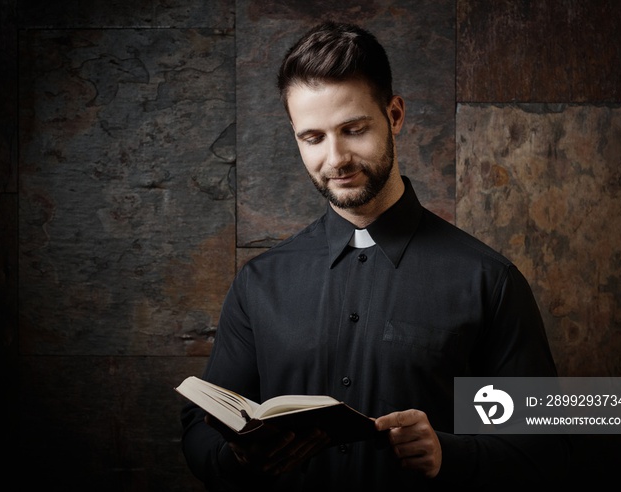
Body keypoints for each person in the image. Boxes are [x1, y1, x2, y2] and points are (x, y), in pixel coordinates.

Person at [181, 21, 570, 491]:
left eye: (353, 129)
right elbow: (197, 434)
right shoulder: (260, 283)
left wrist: (451, 453)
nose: (336, 158)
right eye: (313, 138)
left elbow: (546, 445)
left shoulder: (488, 280)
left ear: (395, 114)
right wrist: (241, 458)